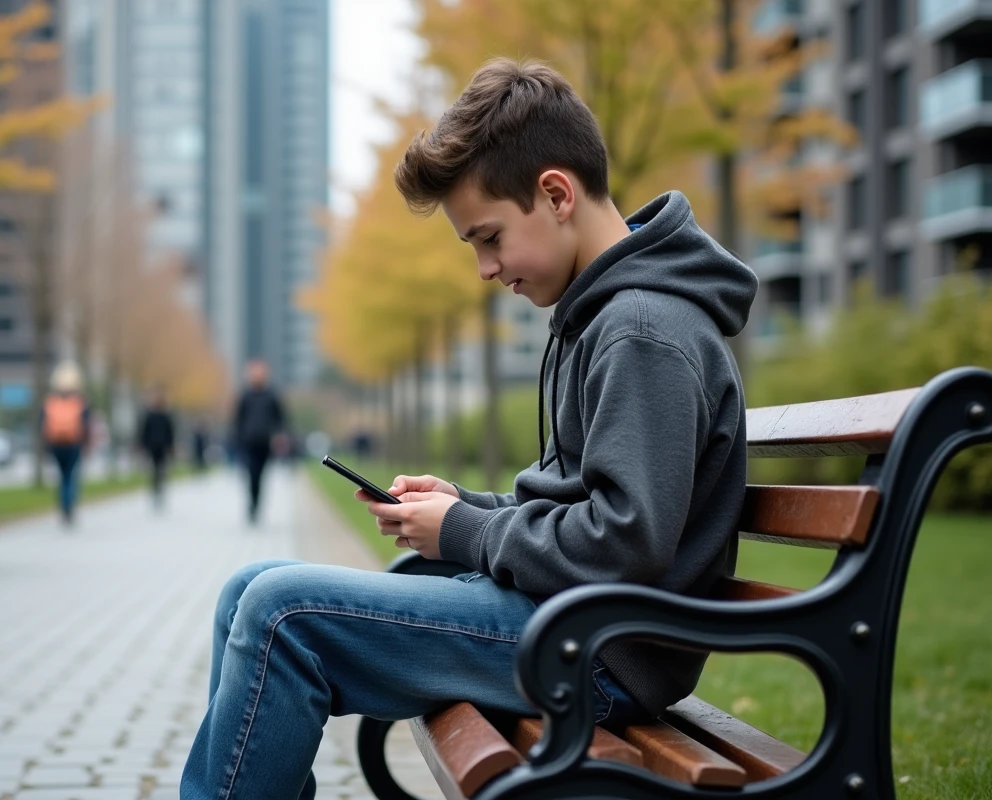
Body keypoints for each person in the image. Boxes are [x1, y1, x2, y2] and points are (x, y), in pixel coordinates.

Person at [178, 59, 758, 799]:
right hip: (567, 623)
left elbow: (626, 543)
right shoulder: (607, 316)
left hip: (598, 652)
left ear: (555, 194)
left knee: (278, 612)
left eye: (489, 238)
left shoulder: (639, 329)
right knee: (249, 587)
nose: (485, 269)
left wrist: (463, 533)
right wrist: (464, 507)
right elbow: (586, 509)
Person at [231, 359, 286, 524]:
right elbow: (238, 420)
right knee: (251, 474)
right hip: (248, 442)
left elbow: (280, 419)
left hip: (265, 443)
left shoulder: (272, 395)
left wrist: (279, 436)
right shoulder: (245, 395)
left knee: (260, 476)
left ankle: (256, 504)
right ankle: (252, 503)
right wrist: (238, 439)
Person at [41, 362, 90, 526]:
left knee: (62, 476)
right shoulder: (79, 401)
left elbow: (43, 423)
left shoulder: (51, 401)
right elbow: (86, 424)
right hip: (73, 442)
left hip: (56, 443)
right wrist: (87, 443)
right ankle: (69, 506)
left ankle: (63, 505)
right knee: (70, 476)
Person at [137, 388, 176, 510]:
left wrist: (171, 446)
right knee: (156, 470)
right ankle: (156, 491)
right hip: (154, 447)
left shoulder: (165, 416)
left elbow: (170, 433)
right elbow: (144, 432)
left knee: (160, 470)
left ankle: (159, 491)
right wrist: (142, 445)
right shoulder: (151, 415)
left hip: (161, 447)